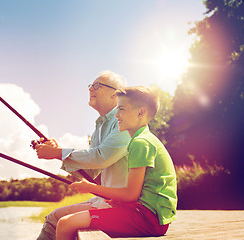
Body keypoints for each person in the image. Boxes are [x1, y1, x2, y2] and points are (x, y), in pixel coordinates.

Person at [55, 86, 178, 239]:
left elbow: (130, 195)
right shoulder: (144, 139)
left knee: (66, 223)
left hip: (147, 219)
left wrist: (91, 188)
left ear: (141, 112)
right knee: (69, 221)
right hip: (148, 216)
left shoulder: (141, 142)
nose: (117, 115)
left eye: (121, 109)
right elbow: (136, 193)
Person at [34, 71, 131, 240]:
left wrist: (59, 153)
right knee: (53, 218)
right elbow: (91, 172)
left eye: (97, 86)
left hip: (121, 203)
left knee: (55, 219)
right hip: (106, 200)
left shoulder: (124, 120)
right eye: (90, 86)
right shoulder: (99, 127)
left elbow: (102, 156)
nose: (90, 89)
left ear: (115, 94)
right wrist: (58, 153)